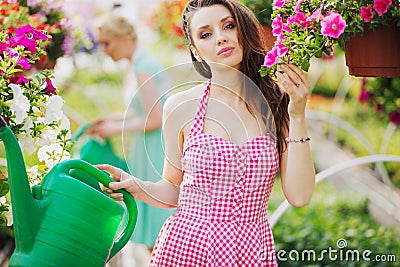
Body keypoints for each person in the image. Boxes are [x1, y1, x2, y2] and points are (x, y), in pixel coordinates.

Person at [98, 0, 315, 266]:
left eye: (228, 26)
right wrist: (137, 186)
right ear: (196, 51)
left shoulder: (276, 104)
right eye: (206, 34)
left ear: (243, 30)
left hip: (250, 249)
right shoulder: (180, 107)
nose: (221, 38)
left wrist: (298, 114)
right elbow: (173, 188)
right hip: (187, 246)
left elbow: (300, 195)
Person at [87, 14, 175, 255]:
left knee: (160, 228)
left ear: (126, 39)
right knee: (154, 230)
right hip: (148, 146)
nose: (103, 49)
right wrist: (111, 119)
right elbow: (141, 111)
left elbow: (155, 119)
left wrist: (115, 129)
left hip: (156, 148)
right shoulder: (137, 63)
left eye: (107, 43)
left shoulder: (143, 67)